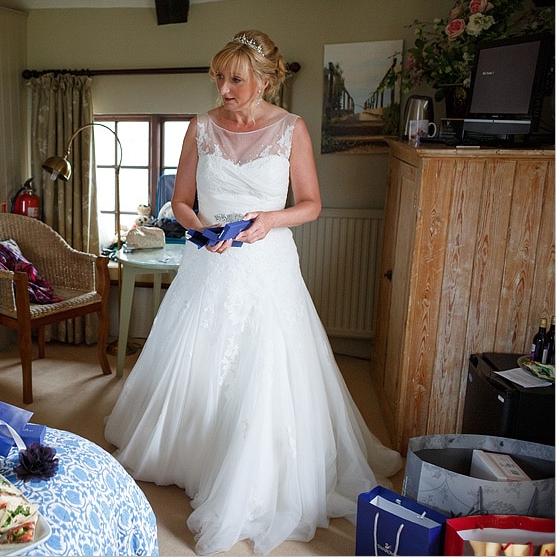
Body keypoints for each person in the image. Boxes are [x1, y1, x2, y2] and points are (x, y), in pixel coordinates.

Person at [104, 30, 402, 556]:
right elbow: (180, 199)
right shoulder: (200, 127)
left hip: (267, 263)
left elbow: (310, 204)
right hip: (209, 261)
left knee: (265, 366)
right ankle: (192, 453)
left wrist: (270, 219)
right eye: (218, 77)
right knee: (199, 357)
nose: (223, 88)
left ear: (265, 80)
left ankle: (253, 472)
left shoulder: (292, 129)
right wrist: (196, 229)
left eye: (235, 79)